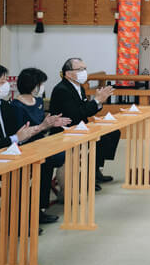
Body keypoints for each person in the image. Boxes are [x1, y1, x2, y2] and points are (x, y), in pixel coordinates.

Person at [11, 67, 70, 223]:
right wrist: (43, 126)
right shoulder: (16, 105)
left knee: (56, 157)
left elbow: (41, 125)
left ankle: (40, 205)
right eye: (40, 84)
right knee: (50, 161)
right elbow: (20, 134)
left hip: (39, 143)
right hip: (24, 147)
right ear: (33, 84)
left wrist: (52, 123)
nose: (42, 87)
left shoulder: (37, 101)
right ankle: (35, 207)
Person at [48, 58, 118, 186]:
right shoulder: (62, 90)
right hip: (65, 132)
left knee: (112, 133)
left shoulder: (79, 88)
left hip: (79, 127)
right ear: (68, 73)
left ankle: (96, 170)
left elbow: (86, 111)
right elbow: (76, 114)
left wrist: (99, 102)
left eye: (85, 69)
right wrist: (96, 101)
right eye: (80, 69)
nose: (84, 72)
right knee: (100, 139)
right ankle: (88, 176)